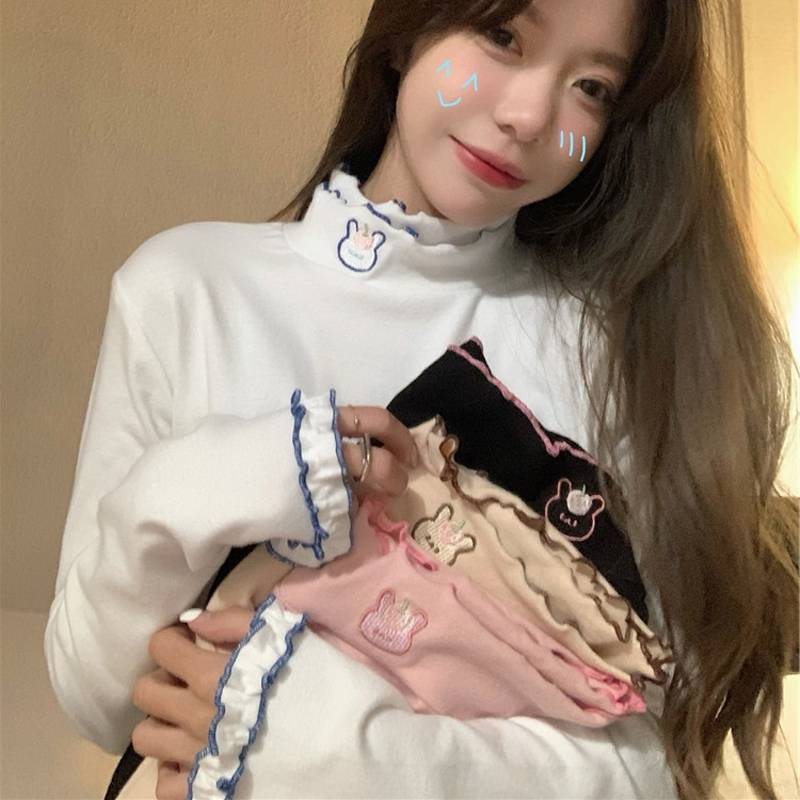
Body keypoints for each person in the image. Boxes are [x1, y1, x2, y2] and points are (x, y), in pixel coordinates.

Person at [44, 1, 798, 799]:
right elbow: (100, 702)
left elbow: (654, 761)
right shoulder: (185, 290)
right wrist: (198, 488)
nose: (529, 116)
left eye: (592, 88)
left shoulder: (611, 348)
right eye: (503, 36)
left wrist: (360, 760)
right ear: (406, 32)